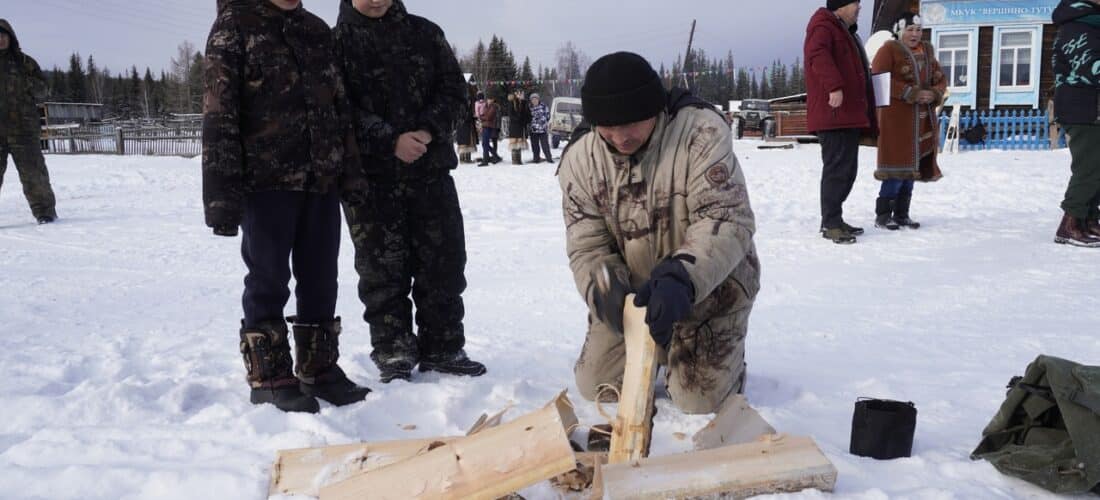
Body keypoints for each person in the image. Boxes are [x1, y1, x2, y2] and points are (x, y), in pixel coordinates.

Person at [558, 52, 760, 415]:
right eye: (608, 126)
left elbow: (727, 218)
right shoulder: (580, 159)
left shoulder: (700, 134)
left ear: (654, 109)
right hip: (635, 296)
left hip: (707, 287)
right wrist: (602, 288)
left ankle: (719, 359)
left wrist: (683, 278)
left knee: (698, 399)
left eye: (631, 123)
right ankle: (660, 346)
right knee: (597, 385)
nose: (621, 137)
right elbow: (586, 245)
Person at [202, 0, 370, 413]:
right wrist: (221, 195)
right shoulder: (235, 24)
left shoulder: (315, 29)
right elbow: (220, 112)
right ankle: (270, 375)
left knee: (321, 277)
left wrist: (351, 173)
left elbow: (340, 107)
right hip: (266, 181)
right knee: (268, 277)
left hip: (321, 177)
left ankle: (318, 368)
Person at [335, 0, 487, 383]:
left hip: (430, 174)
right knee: (382, 271)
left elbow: (454, 92)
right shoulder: (335, 43)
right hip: (371, 182)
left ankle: (444, 347)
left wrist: (427, 131)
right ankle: (394, 350)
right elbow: (336, 108)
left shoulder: (425, 33)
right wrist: (390, 140)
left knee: (444, 263)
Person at [804, 0, 878, 244]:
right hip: (833, 115)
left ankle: (836, 218)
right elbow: (817, 55)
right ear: (841, 5)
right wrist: (834, 86)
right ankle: (831, 223)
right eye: (855, 3)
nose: (859, 8)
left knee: (847, 171)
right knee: (837, 171)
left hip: (847, 115)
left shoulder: (843, 30)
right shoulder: (823, 26)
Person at [870, 12, 945, 230]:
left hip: (920, 120)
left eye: (918, 30)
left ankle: (902, 213)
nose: (915, 34)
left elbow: (940, 79)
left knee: (912, 168)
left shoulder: (926, 52)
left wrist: (933, 93)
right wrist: (909, 92)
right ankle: (883, 215)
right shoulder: (888, 50)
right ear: (900, 31)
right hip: (896, 119)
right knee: (896, 167)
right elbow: (879, 79)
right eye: (910, 30)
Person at [0, 19, 57, 225]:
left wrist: (26, 82)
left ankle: (45, 213)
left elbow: (44, 91)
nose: (0, 39)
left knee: (34, 174)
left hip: (23, 130)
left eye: (3, 35)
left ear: (11, 38)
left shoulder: (25, 63)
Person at [1052, 0, 1100, 247]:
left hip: (1092, 108)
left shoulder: (1092, 24)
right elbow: (1090, 68)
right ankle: (1069, 225)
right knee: (1089, 168)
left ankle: (1088, 219)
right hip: (1083, 109)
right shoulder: (1077, 26)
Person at [456, 83, 479, 164]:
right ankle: (464, 159)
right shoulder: (465, 100)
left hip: (464, 124)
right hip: (465, 123)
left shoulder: (462, 99)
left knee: (466, 142)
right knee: (466, 141)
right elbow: (464, 113)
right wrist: (471, 116)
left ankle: (465, 158)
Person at [506, 91, 530, 165]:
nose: (520, 95)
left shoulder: (524, 103)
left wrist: (526, 120)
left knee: (519, 143)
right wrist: (519, 119)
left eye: (521, 94)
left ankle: (518, 159)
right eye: (519, 94)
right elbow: (511, 114)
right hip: (514, 126)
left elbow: (526, 113)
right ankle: (514, 160)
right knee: (514, 143)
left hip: (521, 126)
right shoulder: (512, 102)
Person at [477, 95, 502, 166]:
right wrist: (482, 117)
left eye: (490, 99)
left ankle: (486, 160)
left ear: (493, 99)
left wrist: (482, 117)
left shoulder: (493, 106)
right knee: (484, 143)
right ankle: (495, 156)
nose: (489, 100)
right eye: (488, 99)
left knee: (485, 143)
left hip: (490, 126)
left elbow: (488, 117)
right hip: (485, 126)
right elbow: (483, 115)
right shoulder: (486, 106)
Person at [529, 93, 553, 163]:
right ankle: (536, 159)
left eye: (536, 99)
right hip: (533, 130)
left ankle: (549, 158)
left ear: (538, 99)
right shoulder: (529, 107)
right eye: (533, 99)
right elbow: (527, 117)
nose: (534, 101)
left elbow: (548, 116)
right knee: (535, 146)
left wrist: (543, 122)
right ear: (531, 100)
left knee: (545, 145)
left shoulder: (543, 106)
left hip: (542, 130)